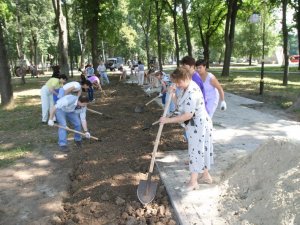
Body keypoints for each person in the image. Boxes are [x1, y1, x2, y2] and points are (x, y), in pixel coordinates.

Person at [159, 67, 213, 191]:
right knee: (202, 149)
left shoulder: (192, 92)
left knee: (195, 151)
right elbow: (180, 105)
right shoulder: (186, 88)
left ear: (185, 78)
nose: (177, 85)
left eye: (178, 82)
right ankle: (205, 176)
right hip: (197, 124)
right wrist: (172, 95)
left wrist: (168, 120)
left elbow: (187, 115)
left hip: (198, 125)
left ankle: (193, 182)